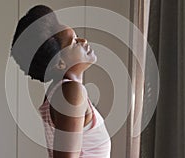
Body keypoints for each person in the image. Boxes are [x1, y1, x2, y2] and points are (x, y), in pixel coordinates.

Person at [11, 5, 111, 158]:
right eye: (74, 42)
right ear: (60, 63)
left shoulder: (59, 91)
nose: (83, 40)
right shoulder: (71, 92)